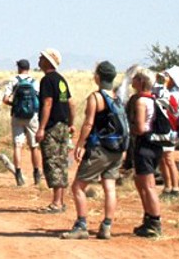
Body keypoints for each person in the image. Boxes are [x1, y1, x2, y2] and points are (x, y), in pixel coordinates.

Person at [61, 61, 124, 240]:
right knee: (109, 187)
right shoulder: (117, 98)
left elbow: (89, 123)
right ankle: (106, 226)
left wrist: (80, 144)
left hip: (100, 150)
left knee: (78, 186)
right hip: (116, 150)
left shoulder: (96, 98)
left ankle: (81, 225)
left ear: (98, 77)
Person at [35, 47, 75, 214]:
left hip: (52, 126)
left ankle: (57, 203)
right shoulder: (61, 80)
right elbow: (71, 103)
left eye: (41, 57)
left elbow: (48, 103)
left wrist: (42, 128)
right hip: (63, 125)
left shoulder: (47, 80)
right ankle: (60, 200)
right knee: (61, 161)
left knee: (52, 162)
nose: (38, 60)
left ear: (47, 61)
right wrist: (71, 123)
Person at [130, 67, 163, 237]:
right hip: (155, 145)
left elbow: (141, 127)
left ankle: (154, 222)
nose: (132, 80)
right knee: (143, 182)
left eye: (136, 78)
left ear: (142, 82)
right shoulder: (154, 100)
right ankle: (150, 219)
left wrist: (132, 129)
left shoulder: (141, 102)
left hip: (145, 145)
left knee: (149, 185)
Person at [2, 58, 42, 186]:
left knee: (17, 145)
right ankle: (37, 173)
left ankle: (18, 173)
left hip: (17, 116)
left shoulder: (14, 81)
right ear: (28, 68)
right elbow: (39, 98)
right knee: (34, 146)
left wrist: (14, 105)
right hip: (32, 116)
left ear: (18, 67)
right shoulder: (34, 82)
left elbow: (5, 99)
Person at [156, 65, 179, 198]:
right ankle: (168, 187)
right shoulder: (170, 92)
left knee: (168, 158)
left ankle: (175, 187)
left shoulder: (175, 95)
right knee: (163, 158)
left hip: (170, 129)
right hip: (165, 128)